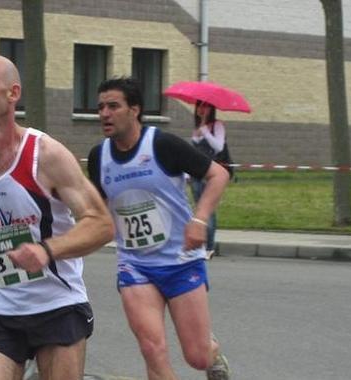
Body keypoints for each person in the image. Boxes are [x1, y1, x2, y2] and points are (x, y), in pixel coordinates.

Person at [0, 54, 114, 380]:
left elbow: (101, 223)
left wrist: (47, 251)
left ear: (13, 93)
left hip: (56, 303)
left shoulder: (45, 155)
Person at [87, 77, 232, 380]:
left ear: (134, 110)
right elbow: (97, 209)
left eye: (113, 106)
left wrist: (200, 220)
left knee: (197, 356)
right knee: (152, 350)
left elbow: (218, 175)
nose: (104, 113)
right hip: (135, 264)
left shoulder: (162, 145)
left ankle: (212, 349)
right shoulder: (99, 157)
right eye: (100, 107)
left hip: (180, 261)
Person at [189, 100, 233, 258]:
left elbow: (219, 147)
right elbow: (194, 151)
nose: (202, 109)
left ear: (211, 108)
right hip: (196, 174)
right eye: (199, 106)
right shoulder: (197, 128)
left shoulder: (217, 125)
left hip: (211, 173)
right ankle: (200, 244)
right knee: (198, 208)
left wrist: (205, 131)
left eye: (205, 106)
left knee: (208, 209)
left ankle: (209, 246)